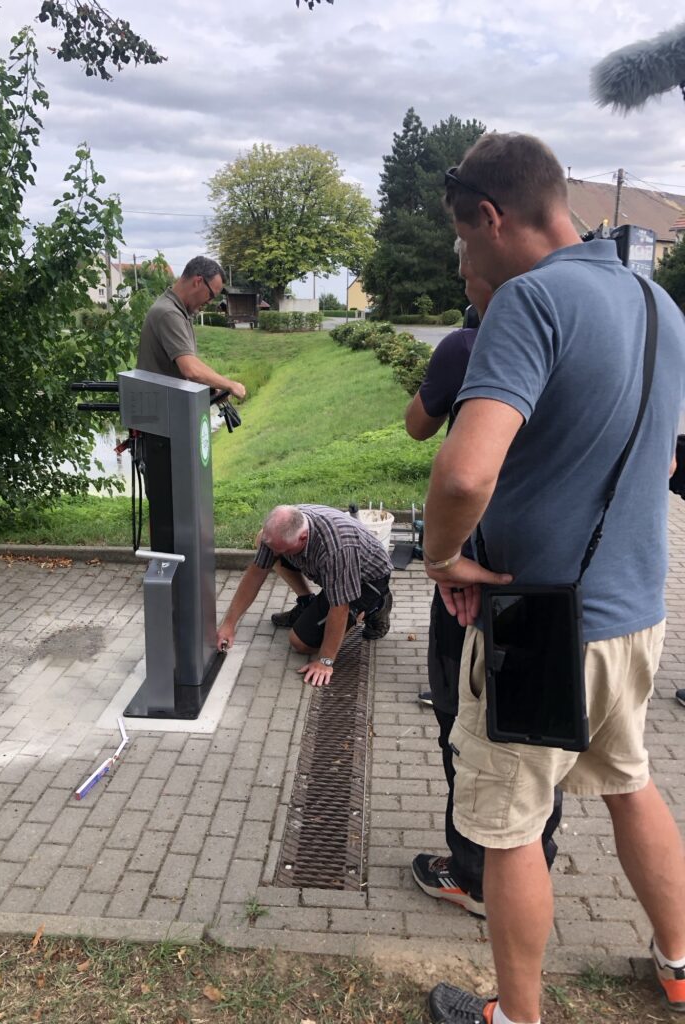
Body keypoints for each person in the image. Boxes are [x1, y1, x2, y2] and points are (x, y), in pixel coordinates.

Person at [421, 133, 685, 1024]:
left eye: (464, 239)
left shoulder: (530, 303)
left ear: (492, 218)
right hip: (635, 614)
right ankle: (680, 965)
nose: (466, 261)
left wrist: (443, 557)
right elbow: (655, 457)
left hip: (539, 629)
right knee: (629, 783)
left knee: (509, 828)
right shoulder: (657, 305)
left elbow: (464, 472)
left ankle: (517, 1017)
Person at [405, 241, 563, 921]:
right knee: (539, 727)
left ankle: (473, 875)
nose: (461, 275)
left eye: (465, 263)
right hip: (554, 572)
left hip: (474, 570)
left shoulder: (466, 346)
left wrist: (440, 557)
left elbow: (421, 430)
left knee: (460, 719)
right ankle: (533, 859)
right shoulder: (576, 331)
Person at [216, 504, 393, 687]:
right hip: (335, 573)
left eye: (282, 550)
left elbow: (339, 607)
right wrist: (229, 624)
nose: (275, 554)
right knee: (263, 540)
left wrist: (325, 661)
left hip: (367, 582)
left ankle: (376, 606)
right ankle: (306, 601)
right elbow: (255, 574)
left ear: (303, 538)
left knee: (300, 643)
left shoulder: (336, 548)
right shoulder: (287, 525)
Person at [136, 255, 245, 399]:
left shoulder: (179, 310)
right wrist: (230, 385)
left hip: (167, 404)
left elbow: (188, 365)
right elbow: (190, 369)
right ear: (198, 282)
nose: (210, 301)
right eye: (211, 295)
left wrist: (213, 387)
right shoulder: (169, 313)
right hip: (161, 408)